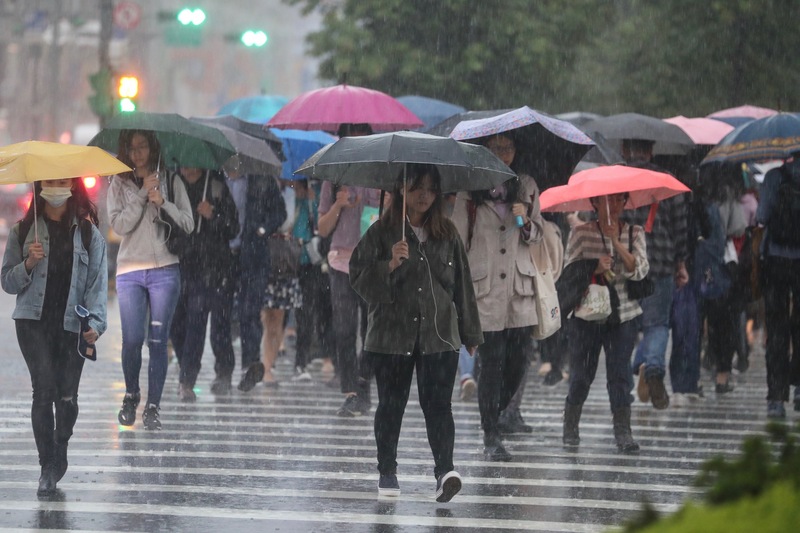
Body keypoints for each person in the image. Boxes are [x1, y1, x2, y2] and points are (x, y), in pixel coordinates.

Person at [349, 164, 482, 502]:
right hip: (391, 337)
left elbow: (462, 285)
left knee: (439, 405)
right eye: (417, 187)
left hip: (439, 336)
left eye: (431, 188)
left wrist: (470, 332)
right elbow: (359, 278)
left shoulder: (448, 233)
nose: (424, 195)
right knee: (391, 405)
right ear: (401, 191)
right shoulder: (381, 232)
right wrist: (389, 264)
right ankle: (387, 471)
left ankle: (444, 472)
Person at [2, 177, 107, 496]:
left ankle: (61, 443)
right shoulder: (23, 230)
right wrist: (29, 264)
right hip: (32, 323)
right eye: (51, 181)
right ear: (39, 185)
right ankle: (47, 465)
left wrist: (96, 324)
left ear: (73, 186)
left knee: (67, 398)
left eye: (63, 181)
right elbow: (7, 282)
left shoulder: (89, 234)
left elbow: (97, 286)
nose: (57, 186)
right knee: (43, 389)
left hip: (72, 327)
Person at [451, 132, 545, 462]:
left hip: (519, 289)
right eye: (496, 148)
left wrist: (523, 217)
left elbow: (536, 237)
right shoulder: (469, 189)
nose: (503, 153)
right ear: (485, 150)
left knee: (520, 360)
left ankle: (496, 410)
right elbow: (457, 242)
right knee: (492, 364)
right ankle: (491, 432)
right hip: (484, 288)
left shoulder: (528, 185)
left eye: (508, 147)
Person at [108, 130, 194, 430]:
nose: (137, 153)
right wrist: (143, 194)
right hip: (130, 270)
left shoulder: (171, 180)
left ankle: (153, 406)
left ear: (152, 147)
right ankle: (132, 395)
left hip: (165, 270)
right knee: (132, 339)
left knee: (158, 340)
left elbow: (188, 223)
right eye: (131, 148)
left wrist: (163, 202)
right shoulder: (118, 183)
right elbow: (119, 225)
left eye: (142, 146)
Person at [561, 193, 649, 453]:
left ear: (624, 203)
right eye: (605, 201)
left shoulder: (634, 232)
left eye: (617, 201)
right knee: (581, 375)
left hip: (624, 315)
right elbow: (568, 272)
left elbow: (640, 269)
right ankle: (571, 423)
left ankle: (623, 431)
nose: (611, 206)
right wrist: (593, 267)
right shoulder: (580, 233)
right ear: (595, 204)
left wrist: (615, 242)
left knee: (620, 375)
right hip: (587, 315)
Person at [317, 123, 382, 417]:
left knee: (372, 332)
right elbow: (322, 228)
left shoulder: (381, 176)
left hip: (373, 264)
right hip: (341, 262)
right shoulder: (334, 178)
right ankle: (352, 391)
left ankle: (362, 380)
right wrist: (339, 205)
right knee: (344, 330)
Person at [622, 140, 689, 410]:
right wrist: (681, 262)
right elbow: (681, 226)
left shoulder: (617, 179)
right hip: (660, 263)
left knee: (625, 327)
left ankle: (623, 383)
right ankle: (653, 369)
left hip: (625, 263)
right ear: (651, 151)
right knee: (657, 324)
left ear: (625, 151)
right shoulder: (666, 182)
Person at [212, 157, 286, 393]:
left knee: (249, 312)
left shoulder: (260, 179)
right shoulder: (214, 180)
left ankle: (250, 366)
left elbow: (279, 212)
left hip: (253, 256)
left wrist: (263, 229)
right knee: (221, 315)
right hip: (222, 256)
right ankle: (223, 371)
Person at [169, 167, 239, 401]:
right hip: (182, 265)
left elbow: (233, 228)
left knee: (211, 326)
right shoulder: (173, 185)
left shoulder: (216, 186)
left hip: (216, 269)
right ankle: (185, 366)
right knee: (177, 325)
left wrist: (213, 215)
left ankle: (195, 378)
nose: (188, 168)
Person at [756, 152, 800, 419]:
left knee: (777, 329)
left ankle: (776, 398)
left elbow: (761, 216)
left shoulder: (774, 177)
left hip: (776, 260)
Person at [292, 178, 334, 381]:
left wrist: (315, 202)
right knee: (305, 313)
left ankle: (328, 357)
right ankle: (301, 361)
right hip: (304, 263)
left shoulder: (327, 189)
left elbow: (325, 224)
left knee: (328, 313)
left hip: (326, 262)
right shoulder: (299, 194)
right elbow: (297, 228)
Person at [260, 179, 301, 387]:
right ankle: (264, 364)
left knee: (278, 317)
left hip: (285, 259)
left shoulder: (293, 193)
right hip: (266, 255)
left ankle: (268, 365)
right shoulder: (264, 188)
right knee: (267, 317)